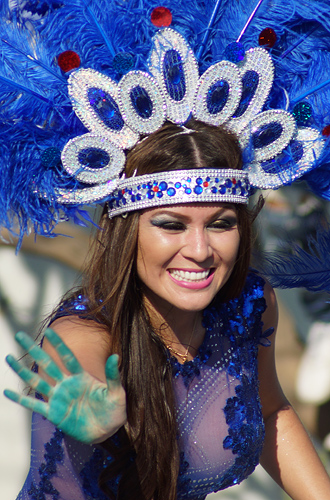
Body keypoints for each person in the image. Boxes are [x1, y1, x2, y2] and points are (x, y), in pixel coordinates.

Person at [5, 120, 330, 500]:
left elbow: (271, 410)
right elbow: (81, 364)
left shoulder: (250, 305)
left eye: (221, 224)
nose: (200, 250)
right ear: (125, 232)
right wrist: (94, 405)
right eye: (172, 225)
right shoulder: (86, 331)